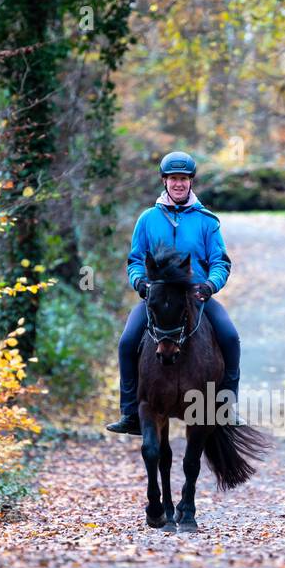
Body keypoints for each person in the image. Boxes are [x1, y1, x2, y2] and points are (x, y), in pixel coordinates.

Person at [105, 151, 240, 435]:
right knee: (128, 342)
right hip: (157, 298)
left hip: (197, 297)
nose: (178, 184)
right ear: (164, 181)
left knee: (230, 336)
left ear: (191, 182)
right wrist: (140, 282)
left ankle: (226, 407)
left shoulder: (207, 221)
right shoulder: (147, 219)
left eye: (183, 179)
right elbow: (135, 259)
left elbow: (220, 261)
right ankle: (130, 412)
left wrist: (210, 285)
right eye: (173, 179)